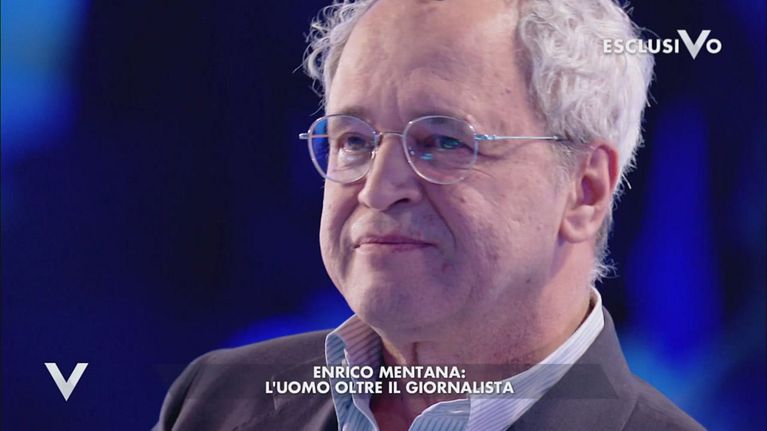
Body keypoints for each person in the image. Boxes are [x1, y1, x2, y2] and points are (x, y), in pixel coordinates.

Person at [154, 0, 705, 430]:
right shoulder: (215, 402)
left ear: (584, 190)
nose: (377, 190)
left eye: (442, 141)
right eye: (354, 140)